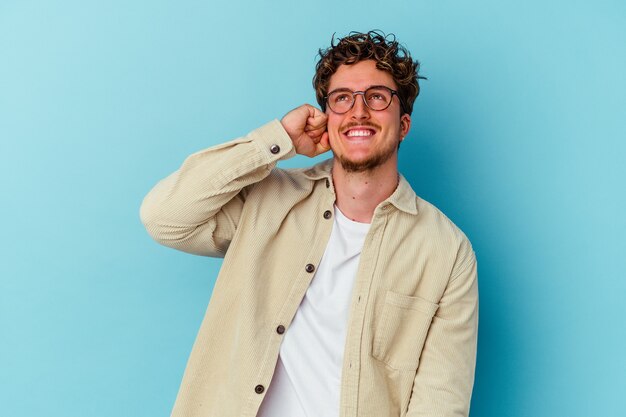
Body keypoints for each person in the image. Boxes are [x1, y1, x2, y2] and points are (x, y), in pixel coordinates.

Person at [140, 30, 478, 417]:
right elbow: (164, 217)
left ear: (403, 125)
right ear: (326, 120)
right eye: (342, 99)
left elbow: (440, 401)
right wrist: (278, 138)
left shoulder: (446, 251)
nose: (359, 111)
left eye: (377, 96)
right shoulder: (269, 201)